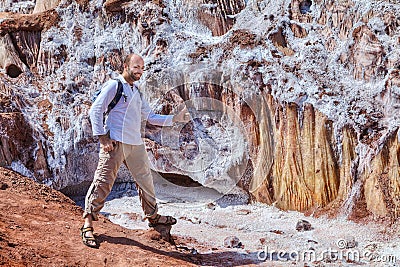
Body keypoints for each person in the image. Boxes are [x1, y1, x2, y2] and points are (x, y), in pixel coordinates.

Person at [80, 53, 190, 248]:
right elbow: (95, 110)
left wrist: (175, 119)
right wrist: (103, 137)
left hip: (135, 143)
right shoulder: (115, 85)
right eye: (136, 67)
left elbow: (150, 117)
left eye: (142, 68)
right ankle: (88, 224)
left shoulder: (137, 91)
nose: (139, 71)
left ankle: (153, 216)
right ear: (125, 66)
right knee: (103, 181)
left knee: (145, 179)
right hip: (115, 142)